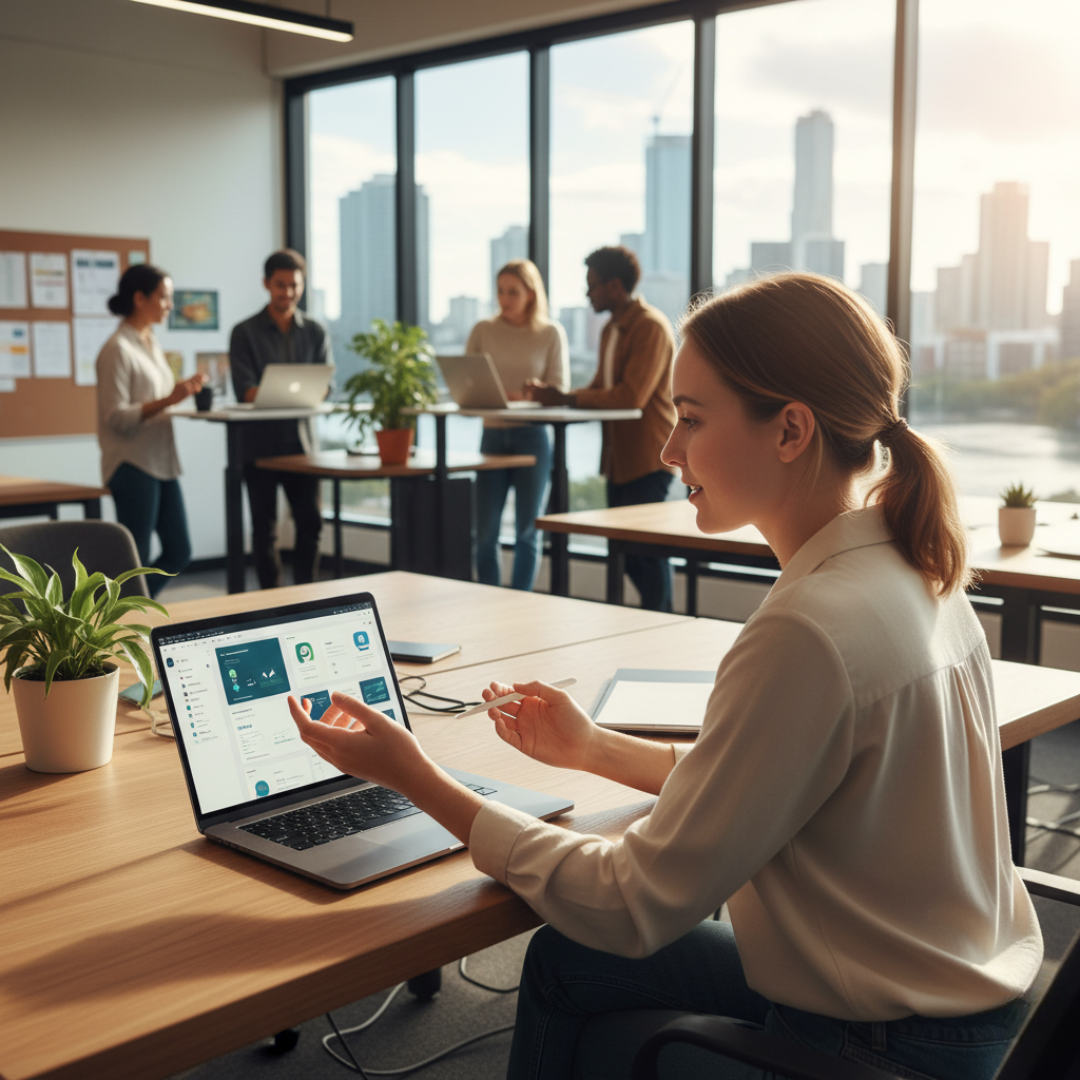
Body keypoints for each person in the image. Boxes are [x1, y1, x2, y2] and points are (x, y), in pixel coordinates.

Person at [288, 272, 1042, 1080]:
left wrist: (418, 779)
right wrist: (595, 749)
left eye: (689, 419)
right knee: (563, 962)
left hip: (877, 1047)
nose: (667, 450)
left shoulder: (808, 631)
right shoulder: (911, 564)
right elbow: (772, 784)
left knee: (588, 955)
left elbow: (631, 902)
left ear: (791, 430)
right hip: (959, 999)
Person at [527, 245, 677, 611]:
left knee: (646, 554)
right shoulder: (612, 328)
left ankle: (663, 624)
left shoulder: (650, 328)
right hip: (619, 458)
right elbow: (600, 387)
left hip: (648, 455)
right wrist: (559, 396)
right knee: (626, 552)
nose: (587, 293)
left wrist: (565, 400)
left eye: (592, 285)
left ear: (613, 286)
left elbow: (631, 396)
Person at [96, 264, 205, 598]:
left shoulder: (150, 342)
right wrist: (169, 398)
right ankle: (122, 622)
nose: (170, 305)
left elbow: (157, 399)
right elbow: (116, 416)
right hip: (132, 464)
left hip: (162, 461)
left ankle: (123, 613)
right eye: (164, 297)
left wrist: (179, 393)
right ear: (140, 298)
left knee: (179, 551)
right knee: (135, 563)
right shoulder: (117, 349)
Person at [230, 249, 332, 589]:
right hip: (259, 446)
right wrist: (294, 394)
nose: (287, 292)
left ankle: (308, 596)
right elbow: (244, 390)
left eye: (294, 285)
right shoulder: (244, 332)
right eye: (280, 284)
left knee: (311, 523)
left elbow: (325, 386)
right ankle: (269, 601)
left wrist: (282, 393)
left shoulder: (315, 331)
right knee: (264, 527)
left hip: (303, 445)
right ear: (266, 284)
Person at [466, 260, 569, 590]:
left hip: (532, 436)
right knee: (485, 534)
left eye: (513, 292)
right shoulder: (483, 329)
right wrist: (499, 395)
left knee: (527, 532)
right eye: (500, 291)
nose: (505, 299)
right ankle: (488, 599)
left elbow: (558, 388)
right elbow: (467, 380)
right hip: (492, 435)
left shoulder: (551, 333)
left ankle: (521, 602)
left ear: (531, 294)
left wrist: (519, 397)